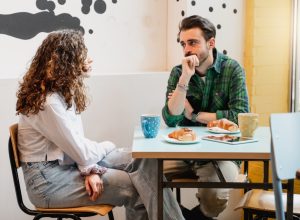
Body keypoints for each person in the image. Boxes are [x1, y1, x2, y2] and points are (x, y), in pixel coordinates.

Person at [16, 29, 184, 220]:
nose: (88, 60)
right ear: (67, 62)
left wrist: (89, 169)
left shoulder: (62, 94)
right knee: (135, 187)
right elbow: (82, 152)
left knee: (144, 158)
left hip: (65, 167)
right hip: (48, 183)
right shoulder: (49, 103)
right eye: (82, 56)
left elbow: (75, 148)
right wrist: (107, 147)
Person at [162, 15, 249, 219]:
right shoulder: (178, 72)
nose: (186, 50)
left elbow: (238, 116)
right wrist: (185, 78)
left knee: (214, 199)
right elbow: (171, 117)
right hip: (184, 151)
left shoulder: (232, 69)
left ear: (211, 43)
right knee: (144, 177)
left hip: (222, 153)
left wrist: (193, 115)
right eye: (183, 43)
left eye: (192, 42)